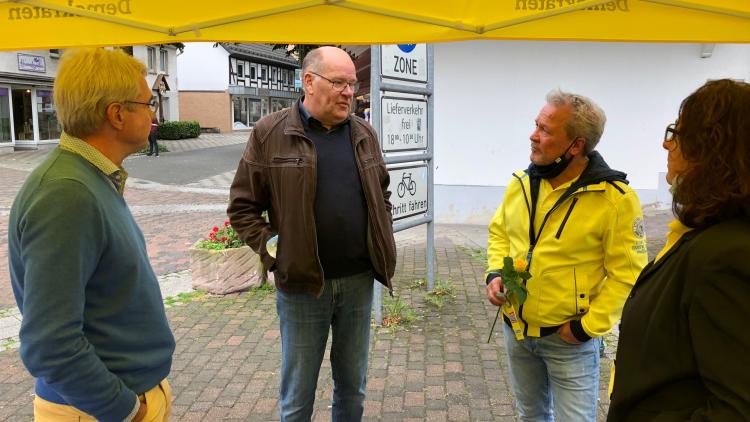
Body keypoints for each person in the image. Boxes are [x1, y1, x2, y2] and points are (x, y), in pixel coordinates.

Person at [227, 46, 396, 421]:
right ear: (309, 81)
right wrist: (276, 251)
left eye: (352, 84)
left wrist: (381, 234)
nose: (349, 92)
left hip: (357, 282)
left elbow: (381, 193)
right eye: (339, 83)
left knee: (353, 388)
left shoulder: (364, 133)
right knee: (298, 395)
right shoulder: (271, 133)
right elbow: (242, 207)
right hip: (302, 287)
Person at [8, 48, 175, 422]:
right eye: (148, 103)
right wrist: (127, 410)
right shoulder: (67, 194)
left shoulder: (88, 178)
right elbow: (49, 345)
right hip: (96, 410)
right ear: (116, 114)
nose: (154, 114)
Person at [485, 89, 648, 421]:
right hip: (517, 331)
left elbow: (628, 274)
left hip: (569, 342)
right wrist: (495, 274)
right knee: (530, 415)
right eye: (536, 125)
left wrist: (586, 328)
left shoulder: (615, 199)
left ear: (576, 146)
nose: (533, 136)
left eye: (546, 130)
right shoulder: (520, 183)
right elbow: (500, 233)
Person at [607, 79, 750, 421]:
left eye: (677, 133)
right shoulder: (703, 233)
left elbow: (737, 409)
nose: (665, 143)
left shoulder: (725, 255)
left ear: (713, 148)